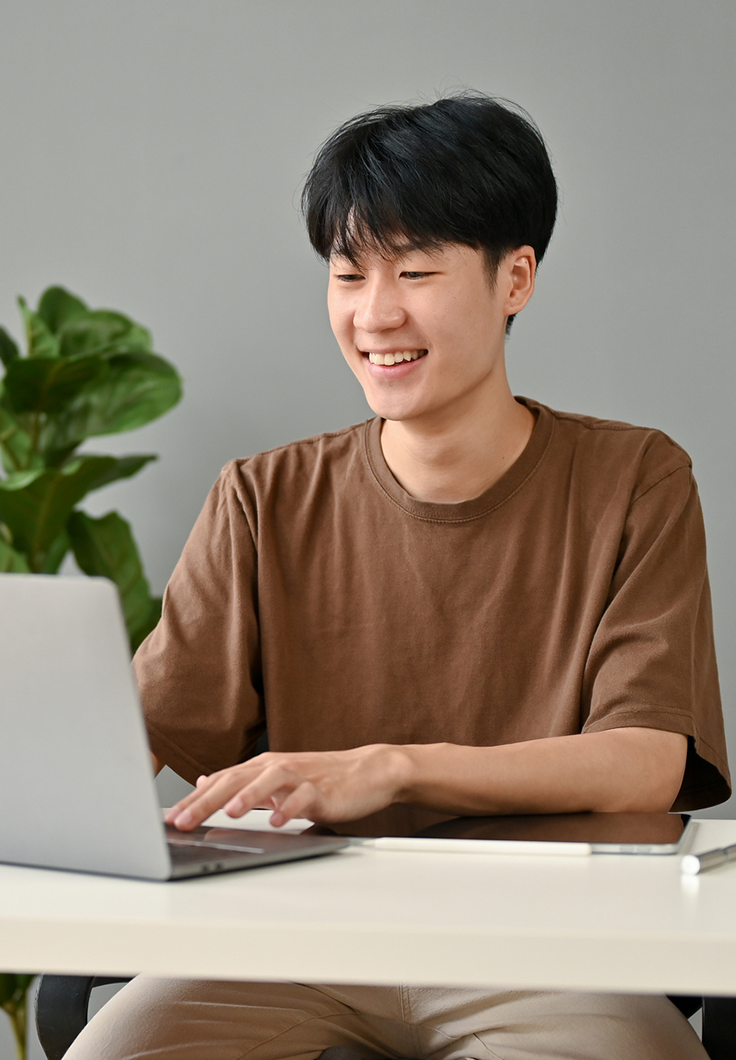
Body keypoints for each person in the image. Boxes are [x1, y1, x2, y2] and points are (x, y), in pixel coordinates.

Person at [65, 93, 730, 1060]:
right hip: (291, 939)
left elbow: (647, 761)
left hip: (548, 945)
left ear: (515, 279)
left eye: (416, 271)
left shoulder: (635, 479)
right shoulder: (263, 498)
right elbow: (130, 745)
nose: (375, 314)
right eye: (348, 275)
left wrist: (392, 768)